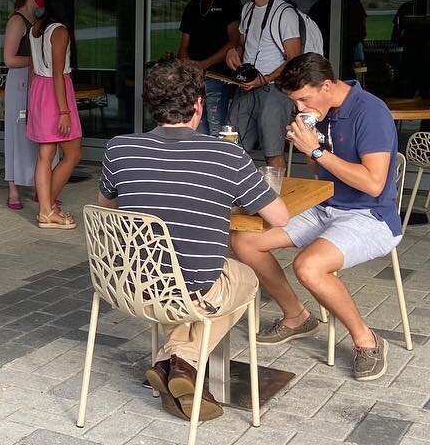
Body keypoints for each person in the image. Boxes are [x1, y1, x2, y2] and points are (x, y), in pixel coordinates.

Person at [98, 59, 288, 421]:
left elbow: (106, 209)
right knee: (244, 277)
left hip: (128, 283)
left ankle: (172, 362)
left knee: (183, 280)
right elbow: (279, 217)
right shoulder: (227, 156)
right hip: (192, 291)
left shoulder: (118, 150)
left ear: (150, 104)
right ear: (199, 104)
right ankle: (181, 360)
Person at [233, 53, 402, 382]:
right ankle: (297, 316)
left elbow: (373, 182)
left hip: (372, 216)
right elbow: (320, 172)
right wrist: (305, 144)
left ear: (327, 85)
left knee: (308, 266)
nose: (300, 107)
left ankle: (367, 341)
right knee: (245, 239)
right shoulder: (320, 111)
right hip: (327, 206)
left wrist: (316, 151)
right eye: (295, 101)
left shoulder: (370, 112)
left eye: (303, 99)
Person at [225, 0, 322, 171]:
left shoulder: (284, 13)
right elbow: (242, 45)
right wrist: (234, 53)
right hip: (248, 86)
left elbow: (293, 58)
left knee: (273, 152)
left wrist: (265, 79)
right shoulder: (248, 9)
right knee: (231, 146)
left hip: (274, 89)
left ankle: (278, 200)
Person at [26, 0, 82, 230]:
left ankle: (46, 209)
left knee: (45, 155)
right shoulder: (59, 30)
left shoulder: (36, 27)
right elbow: (58, 75)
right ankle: (46, 208)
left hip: (39, 89)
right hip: (55, 92)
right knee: (73, 154)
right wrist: (64, 111)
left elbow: (34, 68)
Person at [176, 0, 238, 136]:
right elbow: (184, 43)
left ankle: (216, 163)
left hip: (217, 75)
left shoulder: (229, 2)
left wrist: (205, 64)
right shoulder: (191, 7)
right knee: (194, 125)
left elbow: (234, 40)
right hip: (193, 76)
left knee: (217, 126)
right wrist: (184, 68)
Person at [2, 0, 43, 210]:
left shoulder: (35, 19)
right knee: (17, 132)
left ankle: (37, 183)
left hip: (33, 79)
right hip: (20, 80)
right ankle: (13, 188)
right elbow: (9, 59)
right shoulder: (17, 21)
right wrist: (35, 60)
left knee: (35, 133)